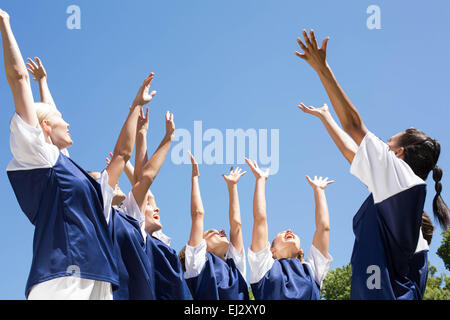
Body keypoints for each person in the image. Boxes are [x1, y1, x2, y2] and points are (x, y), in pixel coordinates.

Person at [1, 8, 153, 299]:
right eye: (61, 120)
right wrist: (5, 23)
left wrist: (135, 105)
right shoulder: (43, 160)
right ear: (44, 128)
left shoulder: (91, 187)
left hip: (100, 279)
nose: (69, 123)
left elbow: (122, 153)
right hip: (61, 277)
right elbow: (19, 79)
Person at [295, 29, 450, 299]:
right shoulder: (396, 193)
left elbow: (354, 126)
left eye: (388, 142)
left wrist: (323, 69)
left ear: (400, 153)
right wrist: (325, 116)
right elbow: (351, 152)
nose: (382, 146)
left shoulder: (401, 179)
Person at [245, 158, 333, 300]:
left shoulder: (312, 269)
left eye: (292, 233)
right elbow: (260, 219)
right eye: (282, 233)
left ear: (300, 250)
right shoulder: (263, 266)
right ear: (271, 250)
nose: (289, 231)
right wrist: (260, 180)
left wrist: (319, 190)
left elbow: (323, 228)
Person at [179, 152, 249, 300]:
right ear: (202, 244)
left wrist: (232, 187)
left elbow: (236, 226)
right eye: (213, 231)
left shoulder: (236, 267)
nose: (221, 231)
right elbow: (197, 214)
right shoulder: (196, 264)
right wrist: (195, 179)